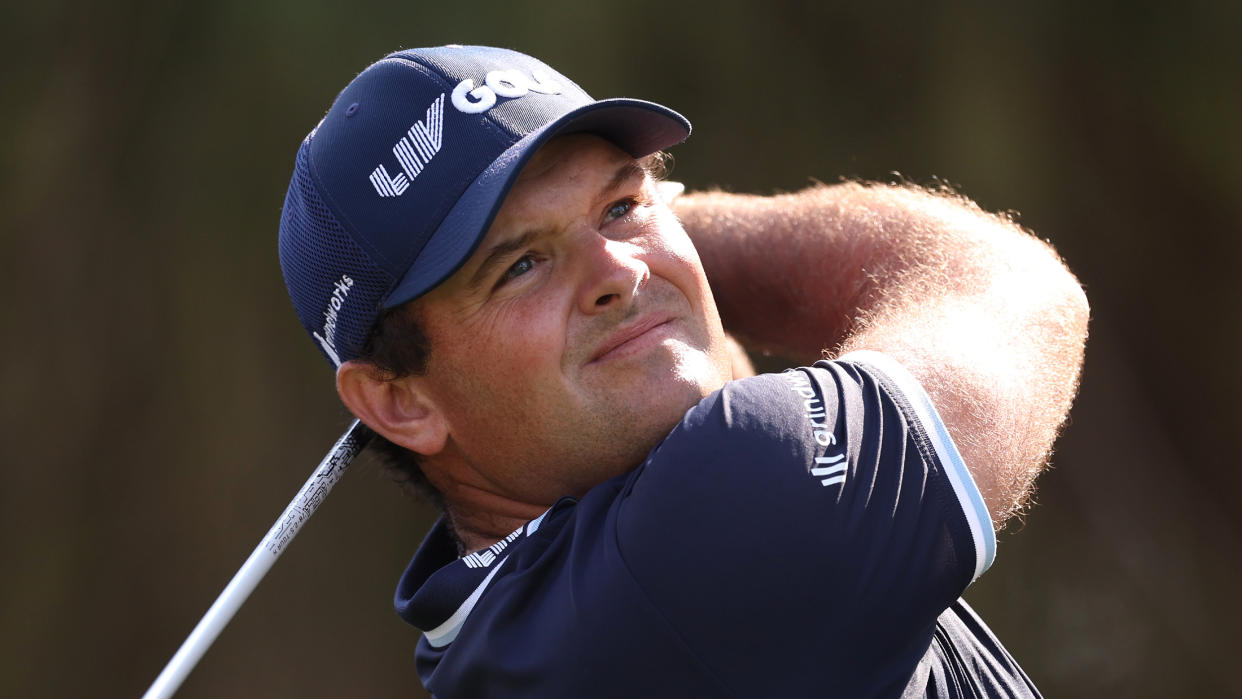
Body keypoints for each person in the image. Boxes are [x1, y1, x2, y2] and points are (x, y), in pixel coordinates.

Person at [278, 44, 1088, 698]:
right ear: (397, 400)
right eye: (520, 264)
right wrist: (680, 243)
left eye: (622, 205)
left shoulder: (493, 633)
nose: (620, 271)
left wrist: (650, 265)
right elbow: (1013, 286)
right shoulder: (710, 528)